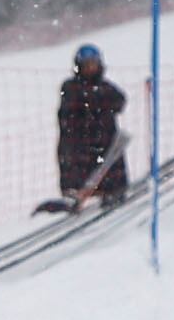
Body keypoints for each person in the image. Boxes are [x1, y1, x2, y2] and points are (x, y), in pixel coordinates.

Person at [52, 46, 129, 211]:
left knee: (110, 161)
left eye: (93, 64)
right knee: (72, 158)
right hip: (79, 142)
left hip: (104, 141)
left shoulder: (105, 87)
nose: (90, 68)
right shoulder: (70, 87)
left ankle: (112, 192)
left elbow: (119, 101)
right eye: (86, 65)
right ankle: (74, 195)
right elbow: (72, 109)